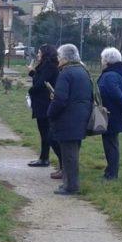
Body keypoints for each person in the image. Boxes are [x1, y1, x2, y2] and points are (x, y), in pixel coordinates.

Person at [47, 44, 93, 195]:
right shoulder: (83, 70)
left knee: (69, 156)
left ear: (66, 58)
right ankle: (68, 183)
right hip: (81, 117)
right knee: (72, 153)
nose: (58, 60)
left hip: (68, 119)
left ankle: (71, 186)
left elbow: (60, 99)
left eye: (59, 57)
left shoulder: (66, 73)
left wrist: (50, 113)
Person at [98, 47, 122, 181]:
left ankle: (112, 174)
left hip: (111, 115)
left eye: (103, 59)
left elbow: (118, 96)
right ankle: (110, 171)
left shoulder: (110, 76)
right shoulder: (114, 74)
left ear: (108, 61)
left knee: (111, 145)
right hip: (113, 114)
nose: (101, 61)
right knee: (110, 143)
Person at [27, 44, 61, 169]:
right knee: (44, 132)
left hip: (45, 103)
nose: (38, 54)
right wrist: (33, 73)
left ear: (45, 54)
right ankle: (43, 157)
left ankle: (47, 159)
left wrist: (31, 90)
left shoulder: (49, 66)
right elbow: (40, 79)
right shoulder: (46, 66)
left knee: (47, 133)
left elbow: (41, 84)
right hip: (42, 103)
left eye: (40, 52)